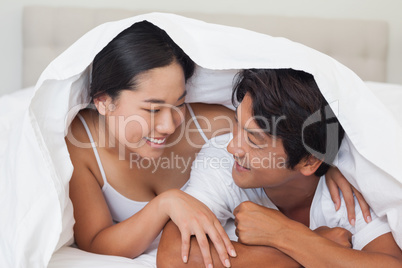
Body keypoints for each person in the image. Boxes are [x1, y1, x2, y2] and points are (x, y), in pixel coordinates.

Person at [157, 69, 402, 267]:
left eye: (253, 140)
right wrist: (312, 245)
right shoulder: (223, 160)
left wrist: (283, 233)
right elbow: (173, 256)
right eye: (236, 125)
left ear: (308, 161)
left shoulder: (347, 190)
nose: (233, 147)